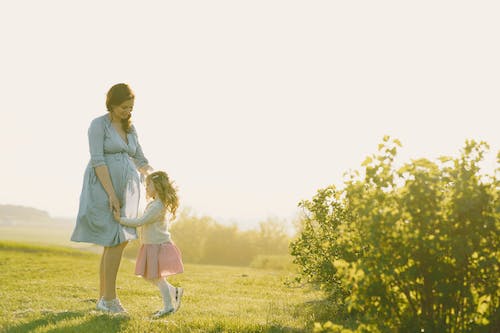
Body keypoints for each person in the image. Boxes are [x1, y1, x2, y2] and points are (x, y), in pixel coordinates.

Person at [71, 83, 153, 313]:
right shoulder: (98, 125)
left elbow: (141, 159)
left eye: (131, 108)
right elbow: (98, 160)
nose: (128, 111)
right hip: (104, 187)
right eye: (124, 107)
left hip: (128, 189)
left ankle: (104, 299)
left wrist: (156, 177)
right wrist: (112, 195)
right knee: (115, 240)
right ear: (113, 104)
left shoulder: (130, 128)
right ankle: (109, 299)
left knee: (117, 240)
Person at [117, 171, 184, 318]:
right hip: (151, 245)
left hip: (156, 246)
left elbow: (141, 221)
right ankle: (174, 292)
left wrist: (120, 219)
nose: (146, 187)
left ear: (157, 186)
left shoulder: (157, 206)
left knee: (156, 277)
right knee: (149, 276)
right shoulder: (155, 204)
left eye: (149, 185)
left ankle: (168, 307)